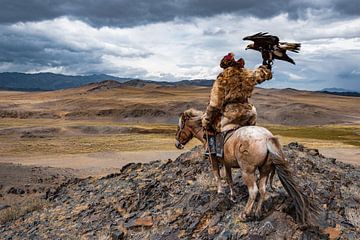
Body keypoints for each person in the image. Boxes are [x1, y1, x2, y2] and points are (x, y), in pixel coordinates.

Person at [202, 53, 272, 156]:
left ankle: (213, 152)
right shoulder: (248, 74)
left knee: (210, 127)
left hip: (231, 116)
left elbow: (214, 105)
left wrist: (206, 120)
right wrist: (267, 64)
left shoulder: (222, 79)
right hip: (249, 114)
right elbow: (262, 74)